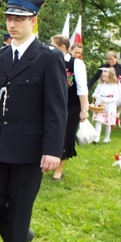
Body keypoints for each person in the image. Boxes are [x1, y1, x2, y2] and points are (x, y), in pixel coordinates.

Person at [0, 0, 67, 242]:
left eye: (19, 18)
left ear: (33, 21)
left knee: (19, 206)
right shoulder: (0, 56)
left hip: (30, 146)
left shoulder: (48, 58)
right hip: (1, 141)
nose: (12, 24)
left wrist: (53, 150)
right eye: (9, 18)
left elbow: (57, 108)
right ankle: (20, 235)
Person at [50, 35, 89, 181]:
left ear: (63, 48)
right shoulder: (50, 61)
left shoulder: (76, 64)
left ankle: (59, 169)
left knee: (66, 136)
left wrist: (84, 109)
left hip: (71, 106)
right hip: (53, 105)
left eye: (53, 45)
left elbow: (82, 88)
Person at [88, 51, 121, 124]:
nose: (110, 61)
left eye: (112, 59)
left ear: (116, 58)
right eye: (108, 59)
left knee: (114, 105)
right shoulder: (103, 67)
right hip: (105, 88)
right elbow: (95, 77)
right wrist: (87, 86)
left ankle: (114, 119)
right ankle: (104, 120)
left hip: (117, 88)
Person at [91, 67, 121, 143]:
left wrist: (107, 100)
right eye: (103, 77)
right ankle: (97, 137)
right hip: (100, 105)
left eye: (106, 77)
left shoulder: (114, 86)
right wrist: (98, 97)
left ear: (111, 77)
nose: (104, 78)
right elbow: (94, 94)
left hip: (110, 106)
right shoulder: (100, 85)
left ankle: (107, 137)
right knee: (98, 121)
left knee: (108, 123)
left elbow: (116, 97)